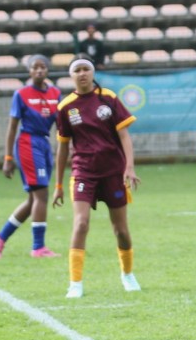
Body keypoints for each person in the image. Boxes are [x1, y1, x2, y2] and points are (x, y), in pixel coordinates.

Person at [52, 56, 141, 298]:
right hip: (83, 172)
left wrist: (129, 167)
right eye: (77, 70)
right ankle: (75, 283)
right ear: (71, 76)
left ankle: (127, 274)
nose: (82, 74)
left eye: (86, 69)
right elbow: (62, 148)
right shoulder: (65, 107)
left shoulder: (108, 98)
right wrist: (58, 184)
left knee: (121, 230)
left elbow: (124, 136)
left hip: (113, 171)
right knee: (80, 223)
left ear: (92, 73)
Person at [0, 54, 62, 259]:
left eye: (43, 67)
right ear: (29, 71)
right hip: (28, 143)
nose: (39, 70)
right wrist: (7, 158)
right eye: (35, 67)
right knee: (41, 195)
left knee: (33, 200)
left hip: (44, 144)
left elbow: (61, 125)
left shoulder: (56, 94)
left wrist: (66, 146)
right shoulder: (21, 94)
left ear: (48, 70)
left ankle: (0, 237)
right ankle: (38, 247)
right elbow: (12, 127)